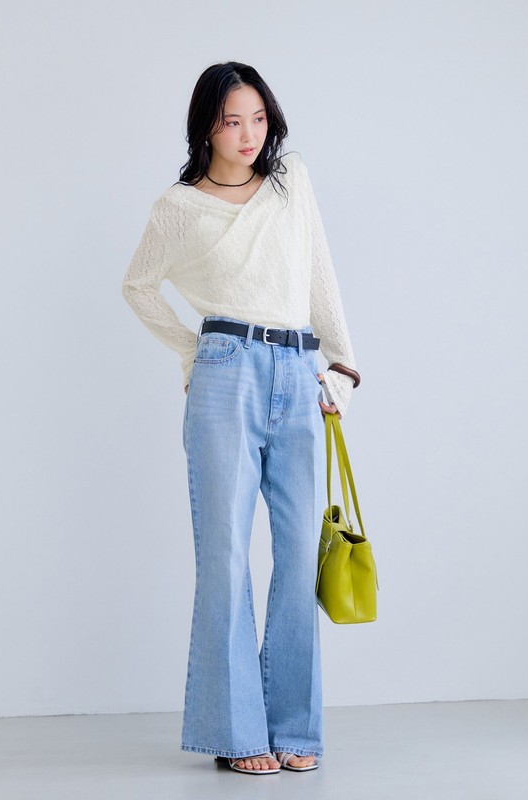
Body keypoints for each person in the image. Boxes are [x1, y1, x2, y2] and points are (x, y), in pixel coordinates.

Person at [122, 61, 361, 775]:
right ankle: (236, 732)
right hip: (226, 371)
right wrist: (193, 353)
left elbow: (320, 274)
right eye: (232, 121)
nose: (248, 134)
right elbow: (138, 286)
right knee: (226, 557)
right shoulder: (179, 207)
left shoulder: (292, 183)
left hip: (298, 369)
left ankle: (293, 726)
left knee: (298, 553)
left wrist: (342, 368)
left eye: (258, 118)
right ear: (207, 127)